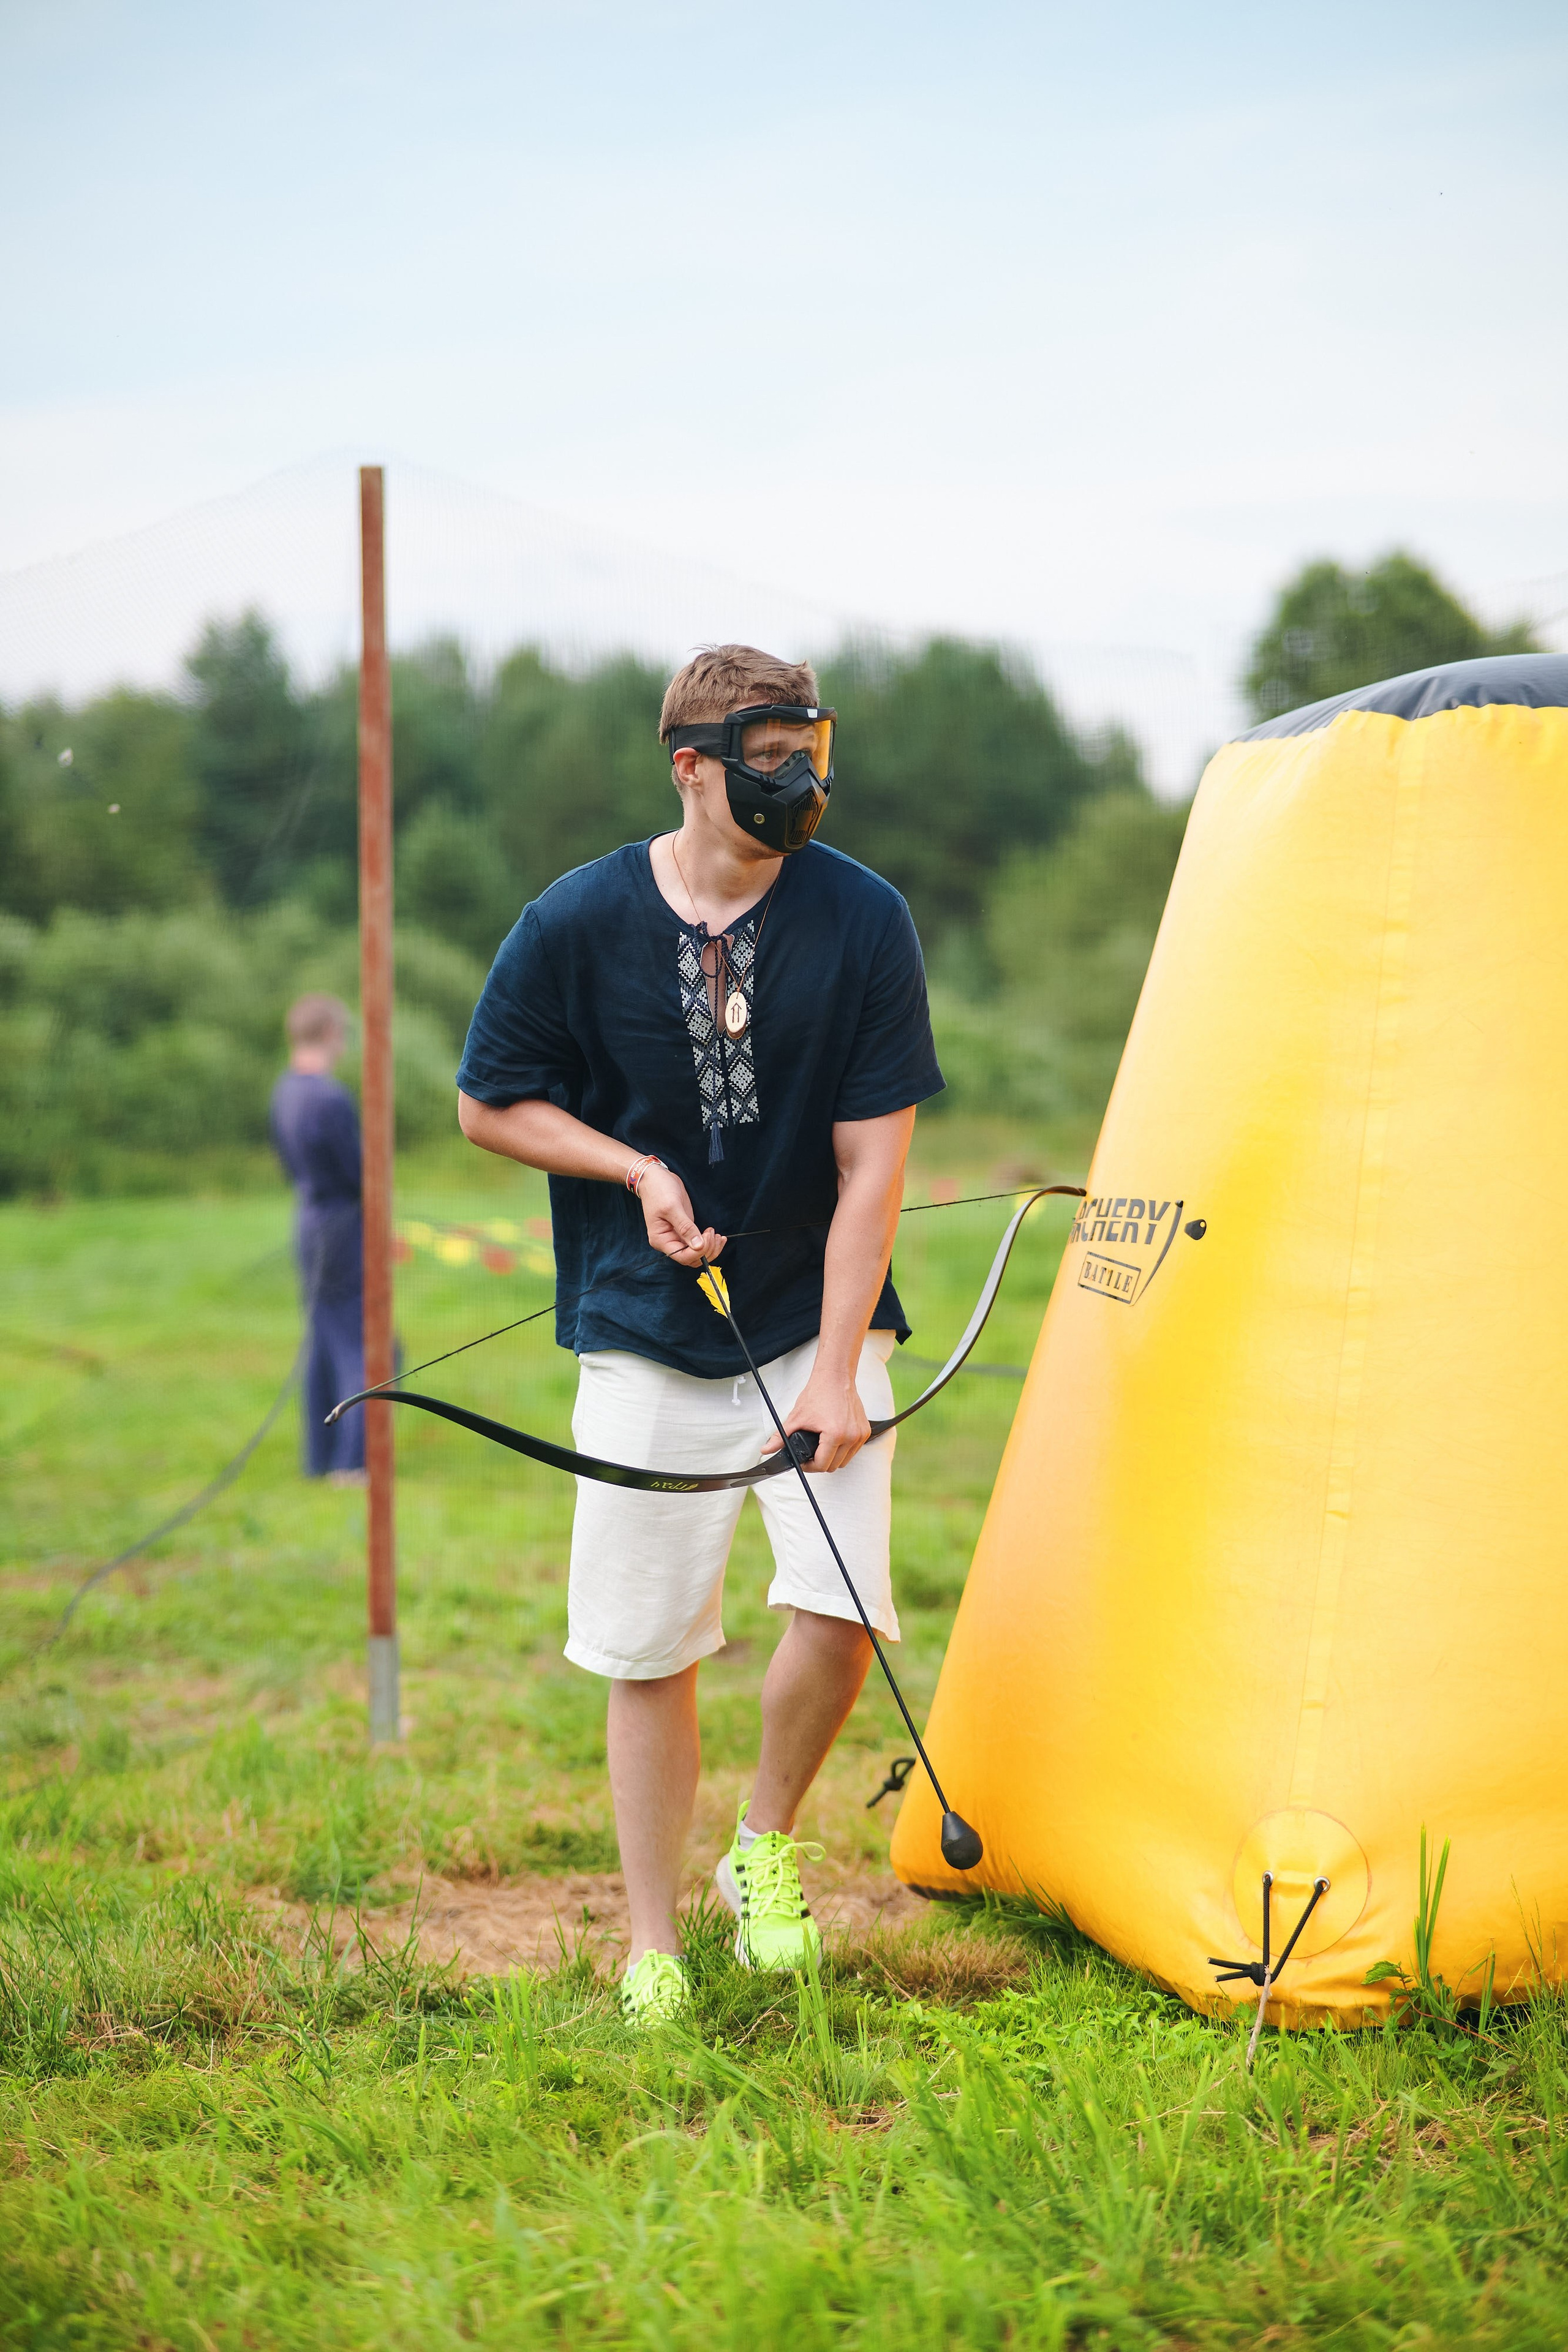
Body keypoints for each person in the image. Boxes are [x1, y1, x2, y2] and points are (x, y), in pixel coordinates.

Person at [456, 644, 943, 2024]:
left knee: (842, 1613)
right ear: (692, 765)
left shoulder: (864, 922)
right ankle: (654, 1944)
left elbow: (873, 1168)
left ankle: (763, 1848)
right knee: (649, 1643)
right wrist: (631, 1170)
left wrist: (843, 1364)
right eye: (770, 758)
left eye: (812, 750)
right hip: (640, 1325)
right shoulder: (573, 921)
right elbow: (489, 1103)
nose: (802, 780)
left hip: (811, 1315)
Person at [270, 993, 368, 1486]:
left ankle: (319, 1459)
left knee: (324, 1340)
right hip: (341, 1225)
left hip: (307, 1220)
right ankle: (352, 1462)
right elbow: (357, 1174)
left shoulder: (285, 1089)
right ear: (330, 1033)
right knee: (359, 1342)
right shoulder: (329, 1096)